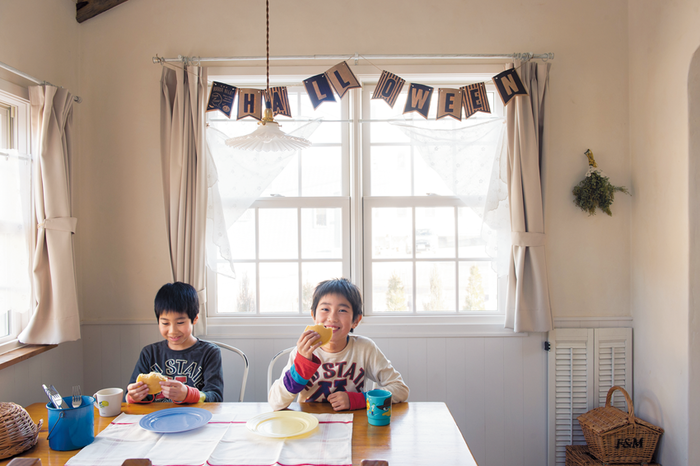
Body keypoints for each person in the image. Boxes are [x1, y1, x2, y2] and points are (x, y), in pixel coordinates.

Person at [268, 278, 409, 411]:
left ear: (356, 320)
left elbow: (400, 389)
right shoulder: (303, 354)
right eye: (325, 309)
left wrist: (360, 399)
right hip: (310, 425)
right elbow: (275, 402)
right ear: (313, 315)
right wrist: (302, 366)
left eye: (342, 310)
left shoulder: (365, 349)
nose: (332, 317)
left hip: (354, 424)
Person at [126, 282, 223, 403]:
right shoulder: (149, 353)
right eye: (165, 323)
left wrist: (188, 394)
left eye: (180, 323)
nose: (172, 331)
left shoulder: (209, 352)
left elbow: (216, 397)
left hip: (195, 418)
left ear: (195, 319)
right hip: (157, 419)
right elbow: (130, 396)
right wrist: (133, 396)